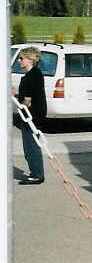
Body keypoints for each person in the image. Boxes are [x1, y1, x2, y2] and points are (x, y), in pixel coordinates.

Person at [12, 46, 46, 184]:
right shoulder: (34, 74)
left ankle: (36, 175)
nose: (19, 61)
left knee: (30, 147)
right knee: (30, 146)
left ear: (30, 60)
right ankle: (36, 173)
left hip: (32, 117)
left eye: (22, 58)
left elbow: (27, 102)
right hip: (33, 115)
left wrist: (17, 96)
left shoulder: (32, 76)